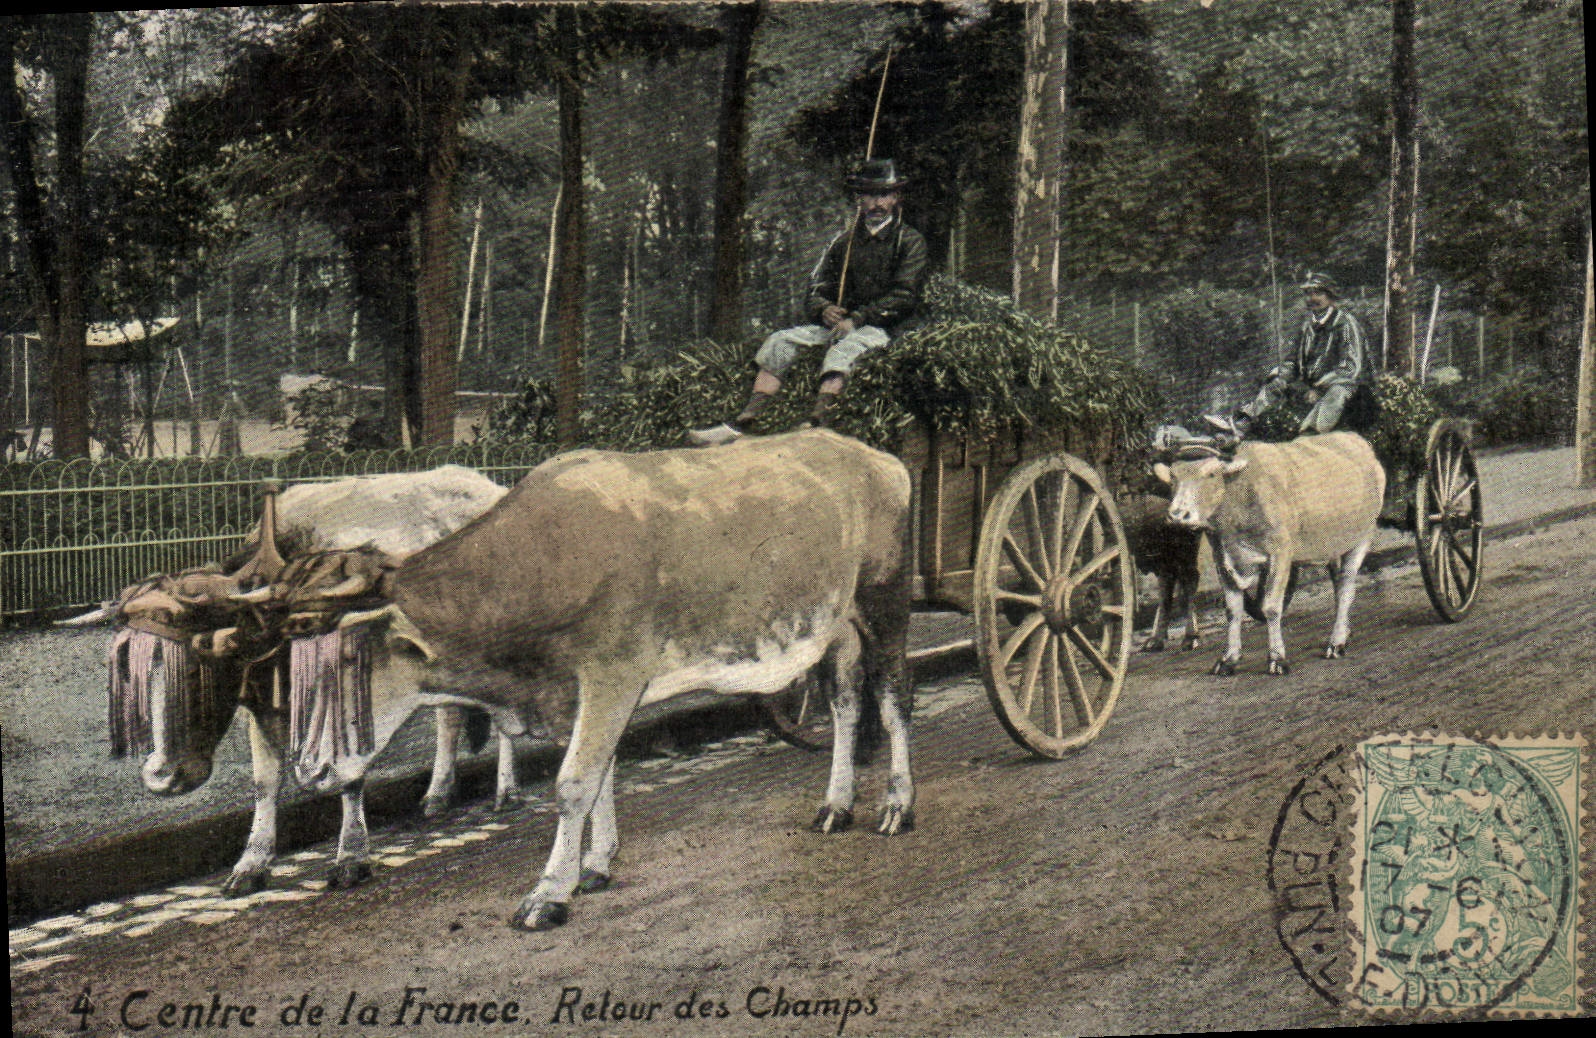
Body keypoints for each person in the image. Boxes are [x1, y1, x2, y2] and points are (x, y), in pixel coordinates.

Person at [688, 159, 928, 446]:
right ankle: (743, 422)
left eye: (883, 195)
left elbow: (905, 295)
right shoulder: (844, 242)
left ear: (895, 198)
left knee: (844, 349)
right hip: (840, 324)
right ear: (859, 199)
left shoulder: (908, 241)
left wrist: (859, 319)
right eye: (869, 195)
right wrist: (824, 308)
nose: (876, 203)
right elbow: (816, 287)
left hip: (883, 327)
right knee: (780, 341)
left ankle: (816, 422)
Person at [1207, 272, 1372, 438]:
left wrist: (1319, 388)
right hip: (1313, 386)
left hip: (1349, 388)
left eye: (1318, 293)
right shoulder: (1307, 326)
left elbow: (1351, 368)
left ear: (1330, 296)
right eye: (1308, 294)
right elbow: (1293, 361)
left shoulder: (1345, 323)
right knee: (1278, 382)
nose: (1312, 298)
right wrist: (1280, 374)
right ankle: (1243, 422)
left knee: (1338, 392)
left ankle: (1310, 434)